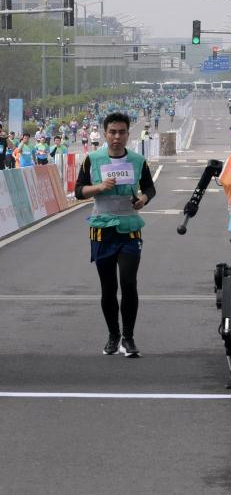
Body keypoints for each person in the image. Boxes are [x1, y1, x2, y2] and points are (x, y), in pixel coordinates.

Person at [74, 112, 156, 358]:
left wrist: (142, 199)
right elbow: (78, 191)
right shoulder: (92, 159)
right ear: (105, 133)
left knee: (129, 283)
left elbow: (150, 188)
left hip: (129, 229)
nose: (117, 137)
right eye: (112, 132)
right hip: (102, 229)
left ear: (128, 134)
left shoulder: (138, 160)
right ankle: (113, 335)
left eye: (121, 132)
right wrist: (99, 187)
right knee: (108, 287)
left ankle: (128, 339)